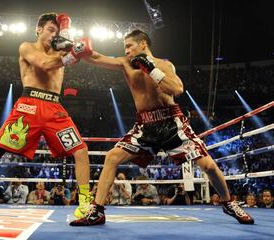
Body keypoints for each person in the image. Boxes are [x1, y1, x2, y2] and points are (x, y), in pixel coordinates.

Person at [70, 29, 254, 225]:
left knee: (208, 166)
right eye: (125, 47)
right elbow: (96, 58)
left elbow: (177, 89)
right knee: (112, 157)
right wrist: (75, 47)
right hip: (145, 126)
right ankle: (97, 211)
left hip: (172, 124)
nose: (126, 51)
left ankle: (228, 203)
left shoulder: (164, 65)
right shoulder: (125, 63)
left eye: (129, 46)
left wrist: (151, 69)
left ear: (143, 44)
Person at [0, 12, 94, 218]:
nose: (53, 35)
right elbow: (45, 64)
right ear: (38, 29)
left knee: (81, 150)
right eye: (50, 30)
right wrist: (72, 53)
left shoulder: (60, 54)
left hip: (54, 107)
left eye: (56, 32)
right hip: (28, 105)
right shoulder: (26, 47)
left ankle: (85, 201)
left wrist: (72, 46)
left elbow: (74, 54)